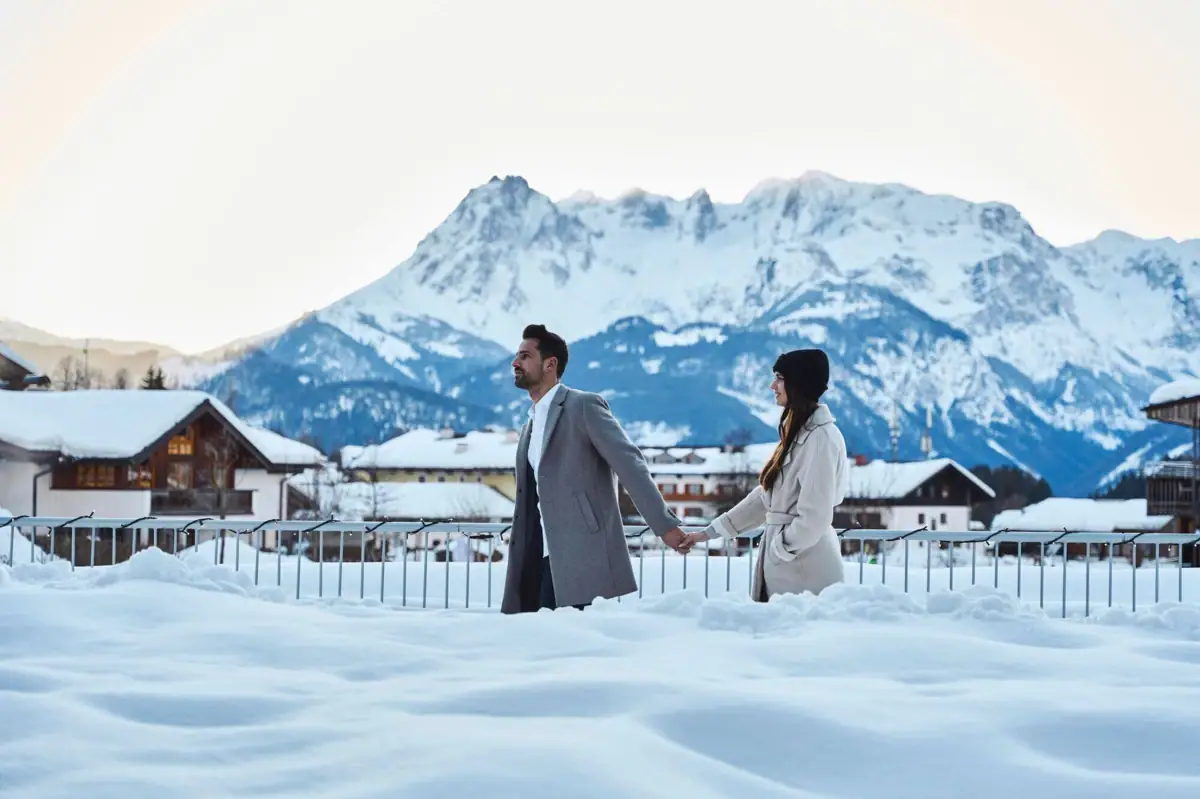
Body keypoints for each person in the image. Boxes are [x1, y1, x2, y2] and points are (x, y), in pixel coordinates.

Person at [500, 324, 692, 613]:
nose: (515, 363)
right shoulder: (530, 425)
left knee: (576, 648)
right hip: (537, 558)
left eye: (525, 356)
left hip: (580, 556)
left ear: (550, 364)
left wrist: (663, 525)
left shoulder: (583, 406)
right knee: (538, 648)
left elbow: (631, 466)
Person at [685, 348, 848, 601]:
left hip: (805, 569)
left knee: (796, 637)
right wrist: (709, 533)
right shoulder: (799, 436)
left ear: (798, 382)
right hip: (791, 566)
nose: (773, 385)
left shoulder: (820, 438)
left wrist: (780, 548)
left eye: (779, 378)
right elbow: (767, 498)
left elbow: (815, 515)